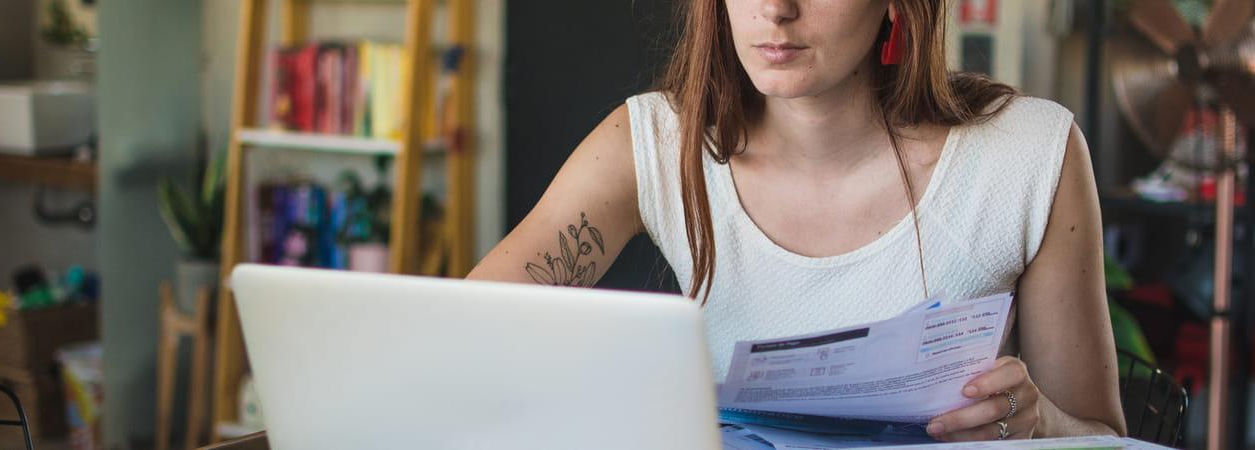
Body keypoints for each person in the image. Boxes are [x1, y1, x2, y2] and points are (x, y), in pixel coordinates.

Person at [469, 0, 1126, 441]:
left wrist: (1037, 425)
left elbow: (1106, 439)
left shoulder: (1031, 155)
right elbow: (465, 332)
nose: (776, 8)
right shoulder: (653, 143)